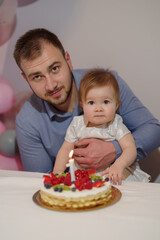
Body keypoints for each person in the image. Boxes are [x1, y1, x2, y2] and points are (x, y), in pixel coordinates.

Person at [13, 28, 160, 173]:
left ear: (68, 61)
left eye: (55, 68)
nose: (51, 85)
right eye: (37, 77)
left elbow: (154, 130)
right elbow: (41, 180)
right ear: (26, 79)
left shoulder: (106, 85)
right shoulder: (27, 122)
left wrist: (114, 150)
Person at [53, 69, 151, 184]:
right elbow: (65, 150)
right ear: (82, 105)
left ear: (116, 105)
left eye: (105, 102)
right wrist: (57, 173)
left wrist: (119, 165)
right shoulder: (77, 124)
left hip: (113, 174)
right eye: (91, 103)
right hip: (84, 178)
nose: (98, 108)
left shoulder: (115, 124)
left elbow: (130, 149)